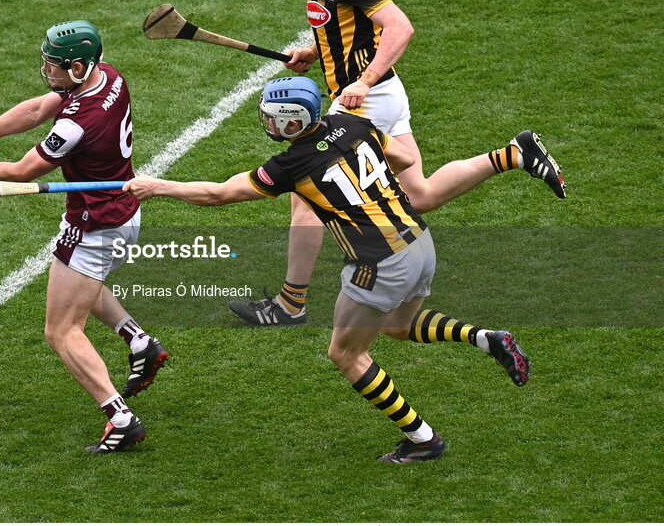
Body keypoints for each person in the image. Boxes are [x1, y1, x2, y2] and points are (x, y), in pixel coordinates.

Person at [124, 76, 530, 463]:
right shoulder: (351, 122)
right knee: (397, 326)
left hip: (378, 264)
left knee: (346, 354)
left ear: (291, 121)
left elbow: (220, 194)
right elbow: (405, 157)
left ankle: (423, 439)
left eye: (271, 117)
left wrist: (157, 186)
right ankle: (487, 339)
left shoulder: (292, 164)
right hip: (420, 242)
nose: (266, 123)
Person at [234, 0, 566, 326]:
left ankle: (290, 303)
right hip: (383, 94)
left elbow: (400, 27)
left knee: (304, 196)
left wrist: (364, 81)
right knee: (420, 195)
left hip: (365, 98)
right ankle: (514, 154)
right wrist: (314, 53)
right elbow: (347, 27)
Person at [0, 20, 168, 454]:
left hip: (93, 226)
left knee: (61, 330)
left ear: (78, 66)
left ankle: (120, 417)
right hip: (122, 215)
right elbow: (37, 109)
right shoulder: (109, 76)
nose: (47, 71)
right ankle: (139, 341)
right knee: (80, 285)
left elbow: (23, 171)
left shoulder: (78, 125)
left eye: (54, 66)